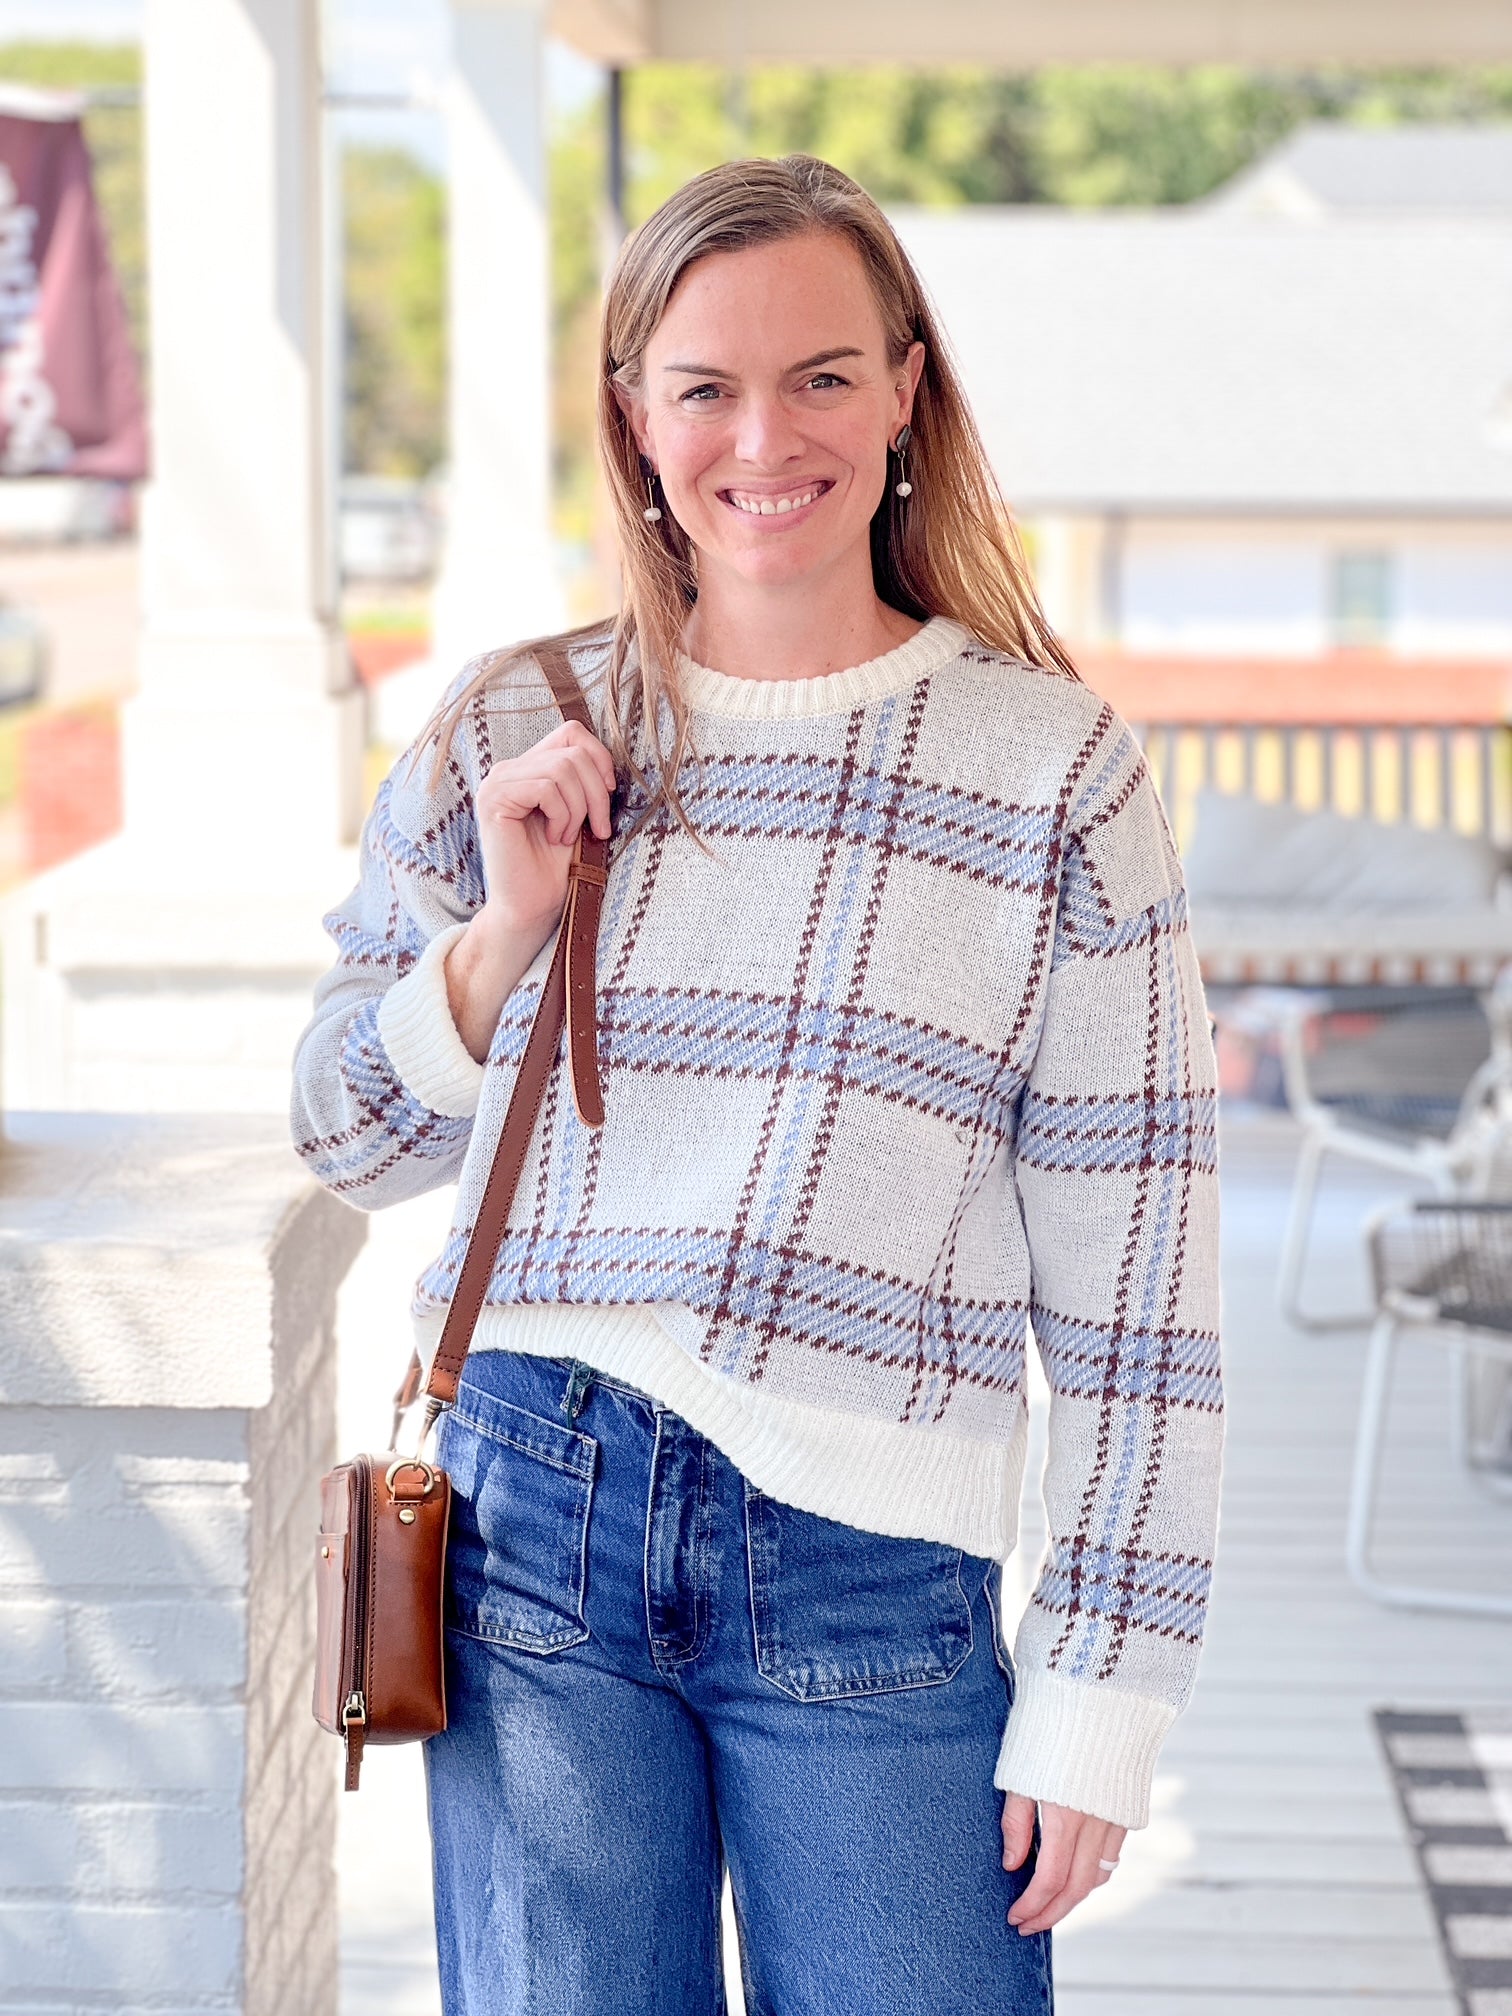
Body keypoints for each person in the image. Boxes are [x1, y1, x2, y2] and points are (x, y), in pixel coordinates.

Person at [291, 152, 1222, 2016]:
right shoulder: (509, 723)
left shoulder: (1052, 772)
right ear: (635, 421)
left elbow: (1137, 1286)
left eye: (820, 376)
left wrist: (1104, 1690)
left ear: (904, 395)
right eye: (702, 385)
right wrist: (503, 932)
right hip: (536, 1516)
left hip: (876, 1558)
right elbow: (340, 1131)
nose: (762, 437)